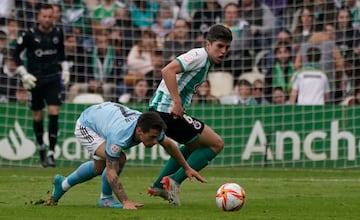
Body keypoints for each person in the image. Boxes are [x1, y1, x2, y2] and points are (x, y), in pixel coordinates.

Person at [47, 102, 206, 209]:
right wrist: (125, 201)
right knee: (118, 159)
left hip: (104, 118)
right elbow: (111, 172)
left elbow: (170, 145)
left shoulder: (150, 127)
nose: (155, 141)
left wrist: (187, 168)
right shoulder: (120, 137)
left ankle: (62, 184)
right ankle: (106, 198)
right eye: (151, 137)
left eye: (157, 137)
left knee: (98, 167)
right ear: (139, 132)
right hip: (87, 125)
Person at [147, 24, 232, 206]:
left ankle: (158, 184)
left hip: (163, 110)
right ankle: (173, 181)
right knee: (216, 143)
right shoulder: (199, 56)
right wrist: (177, 102)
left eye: (227, 47)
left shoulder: (206, 61)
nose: (224, 51)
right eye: (220, 46)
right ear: (208, 44)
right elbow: (167, 70)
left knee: (194, 145)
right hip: (167, 110)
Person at [12, 3, 71, 167]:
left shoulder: (58, 32)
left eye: (50, 16)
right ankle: (41, 149)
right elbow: (15, 55)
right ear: (38, 17)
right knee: (37, 115)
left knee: (54, 112)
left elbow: (61, 54)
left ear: (54, 17)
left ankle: (52, 152)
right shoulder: (29, 34)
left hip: (53, 78)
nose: (47, 19)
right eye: (44, 16)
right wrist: (24, 73)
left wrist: (65, 70)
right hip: (34, 80)